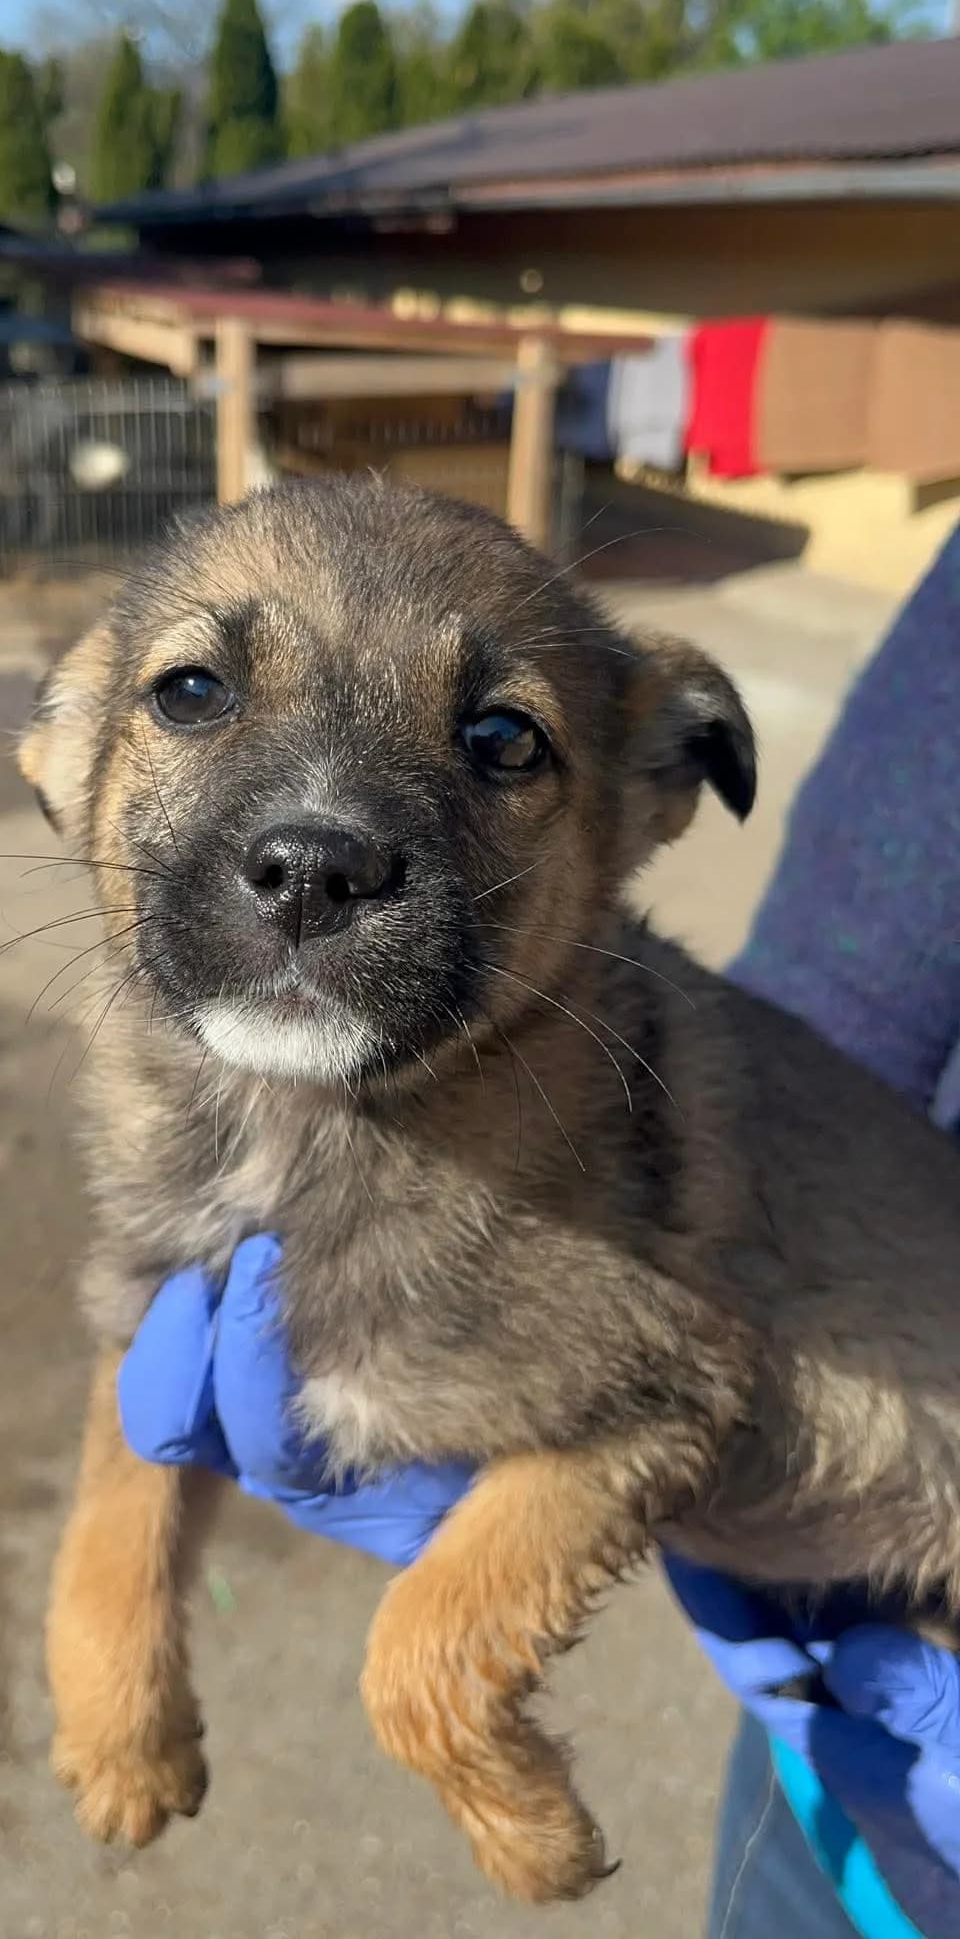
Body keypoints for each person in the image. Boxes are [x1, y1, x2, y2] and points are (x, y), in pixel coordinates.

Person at [117, 532, 960, 1939]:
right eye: (198, 695)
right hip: (844, 1799)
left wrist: (445, 1675)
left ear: (645, 795)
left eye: (499, 741)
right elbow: (838, 1001)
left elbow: (651, 1399)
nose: (312, 847)